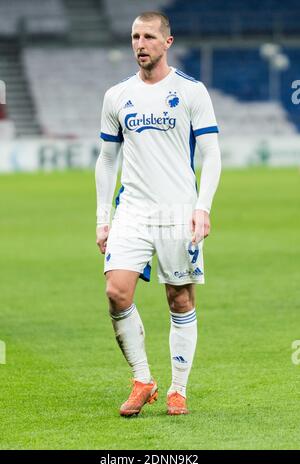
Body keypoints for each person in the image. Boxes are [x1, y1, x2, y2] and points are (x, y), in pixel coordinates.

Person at [95, 11, 221, 417]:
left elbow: (211, 153)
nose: (140, 44)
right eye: (135, 36)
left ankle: (177, 389)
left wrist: (202, 207)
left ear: (167, 42)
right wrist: (103, 217)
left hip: (177, 210)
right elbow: (106, 158)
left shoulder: (191, 91)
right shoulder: (117, 95)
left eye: (148, 36)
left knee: (179, 298)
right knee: (116, 292)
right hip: (132, 209)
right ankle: (142, 378)